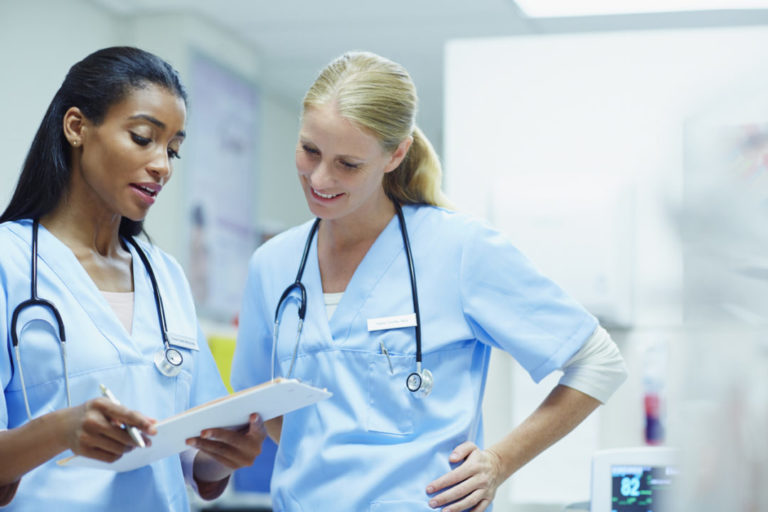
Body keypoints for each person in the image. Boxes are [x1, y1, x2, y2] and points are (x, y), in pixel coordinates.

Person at [230, 51, 628, 511]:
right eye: (310, 150)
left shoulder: (459, 249)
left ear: (395, 154)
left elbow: (599, 362)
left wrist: (498, 462)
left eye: (348, 164)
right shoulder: (272, 265)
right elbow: (263, 407)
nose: (320, 178)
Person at [0, 47, 266, 511]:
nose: (161, 164)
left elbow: (193, 454)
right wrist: (61, 430)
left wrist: (225, 455)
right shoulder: (9, 261)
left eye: (173, 150)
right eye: (143, 138)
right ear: (77, 127)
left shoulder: (164, 276)